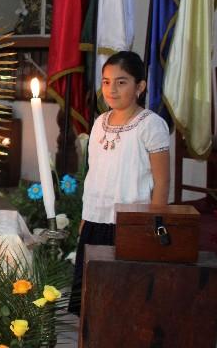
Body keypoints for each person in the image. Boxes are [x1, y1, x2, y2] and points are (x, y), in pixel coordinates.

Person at [68, 51, 170, 315]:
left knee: (123, 300)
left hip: (130, 224)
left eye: (121, 82)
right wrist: (84, 217)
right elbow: (95, 173)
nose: (111, 89)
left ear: (140, 87)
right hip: (95, 221)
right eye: (105, 81)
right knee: (91, 299)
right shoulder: (100, 123)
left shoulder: (150, 125)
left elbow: (161, 181)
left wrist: (154, 224)